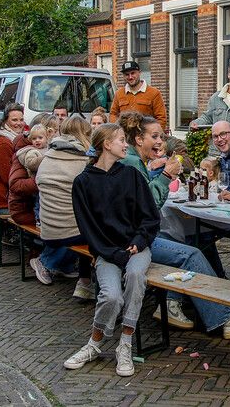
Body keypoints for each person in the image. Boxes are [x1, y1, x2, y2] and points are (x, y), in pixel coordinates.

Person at [117, 114, 230, 336]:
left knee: (191, 238)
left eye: (162, 136)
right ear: (139, 139)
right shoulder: (131, 163)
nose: (161, 141)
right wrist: (166, 174)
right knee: (191, 254)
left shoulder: (133, 161)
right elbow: (147, 206)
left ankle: (175, 302)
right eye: (155, 136)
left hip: (134, 236)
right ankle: (225, 319)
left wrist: (156, 172)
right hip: (134, 242)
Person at [64, 123, 159, 377]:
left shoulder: (131, 176)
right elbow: (88, 228)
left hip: (136, 249)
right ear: (106, 144)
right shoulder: (83, 183)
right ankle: (94, 344)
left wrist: (139, 241)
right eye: (120, 140)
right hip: (107, 252)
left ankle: (125, 345)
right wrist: (109, 252)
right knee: (111, 297)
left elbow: (151, 217)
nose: (126, 144)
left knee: (137, 277)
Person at [32, 116, 94, 299]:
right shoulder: (83, 161)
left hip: (47, 228)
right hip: (69, 232)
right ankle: (86, 283)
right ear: (85, 134)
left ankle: (73, 273)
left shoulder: (49, 155)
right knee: (98, 231)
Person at [8, 115, 59, 228]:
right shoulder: (26, 150)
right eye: (54, 130)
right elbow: (15, 185)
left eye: (57, 130)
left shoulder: (49, 147)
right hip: (23, 207)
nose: (56, 133)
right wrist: (46, 182)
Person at [0, 103, 25, 215]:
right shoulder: (3, 143)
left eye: (21, 119)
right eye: (14, 120)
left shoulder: (17, 139)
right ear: (5, 121)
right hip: (3, 201)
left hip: (12, 198)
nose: (19, 123)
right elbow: (8, 178)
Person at [109, 61, 168, 131]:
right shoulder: (119, 93)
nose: (130, 77)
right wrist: (117, 129)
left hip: (145, 137)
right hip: (125, 137)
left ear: (139, 72)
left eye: (133, 73)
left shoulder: (154, 93)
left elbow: (161, 118)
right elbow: (113, 114)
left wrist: (154, 135)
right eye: (127, 74)